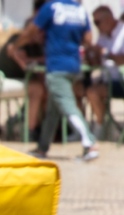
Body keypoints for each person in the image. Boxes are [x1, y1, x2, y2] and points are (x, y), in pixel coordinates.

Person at [31, 0, 99, 161]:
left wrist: (18, 44)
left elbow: (33, 31)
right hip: (74, 65)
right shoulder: (79, 10)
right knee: (53, 111)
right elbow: (88, 39)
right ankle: (42, 148)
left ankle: (90, 143)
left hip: (56, 66)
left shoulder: (52, 7)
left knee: (68, 106)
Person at [86, 5, 124, 139]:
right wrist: (91, 54)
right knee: (80, 88)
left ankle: (98, 130)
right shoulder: (103, 36)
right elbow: (97, 63)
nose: (96, 26)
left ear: (108, 19)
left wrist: (105, 53)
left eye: (97, 22)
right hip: (107, 80)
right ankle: (82, 130)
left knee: (93, 92)